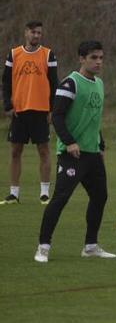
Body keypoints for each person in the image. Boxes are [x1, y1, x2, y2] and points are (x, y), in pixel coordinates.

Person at [34, 41, 114, 263]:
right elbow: (56, 116)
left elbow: (94, 120)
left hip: (92, 154)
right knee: (60, 198)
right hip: (72, 155)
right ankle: (43, 246)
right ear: (81, 59)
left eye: (100, 57)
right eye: (93, 58)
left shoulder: (99, 83)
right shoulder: (70, 84)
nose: (98, 62)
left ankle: (90, 246)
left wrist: (101, 145)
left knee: (100, 197)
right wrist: (69, 142)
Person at [2, 20, 58, 205]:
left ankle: (44, 193)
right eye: (33, 32)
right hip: (20, 111)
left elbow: (54, 82)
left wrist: (52, 109)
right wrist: (8, 106)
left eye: (39, 33)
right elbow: (6, 82)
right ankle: (14, 193)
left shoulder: (48, 54)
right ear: (26, 33)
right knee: (15, 151)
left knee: (43, 151)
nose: (36, 36)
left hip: (41, 110)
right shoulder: (14, 54)